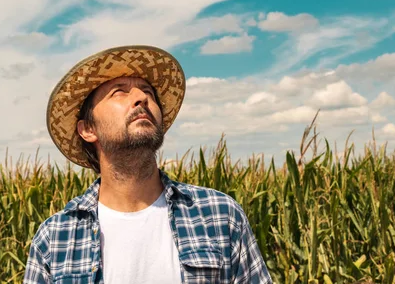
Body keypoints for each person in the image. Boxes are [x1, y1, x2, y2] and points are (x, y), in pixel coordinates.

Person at [24, 45, 272, 283]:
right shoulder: (55, 238)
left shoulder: (219, 215)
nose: (141, 97)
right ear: (88, 129)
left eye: (148, 92)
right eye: (119, 91)